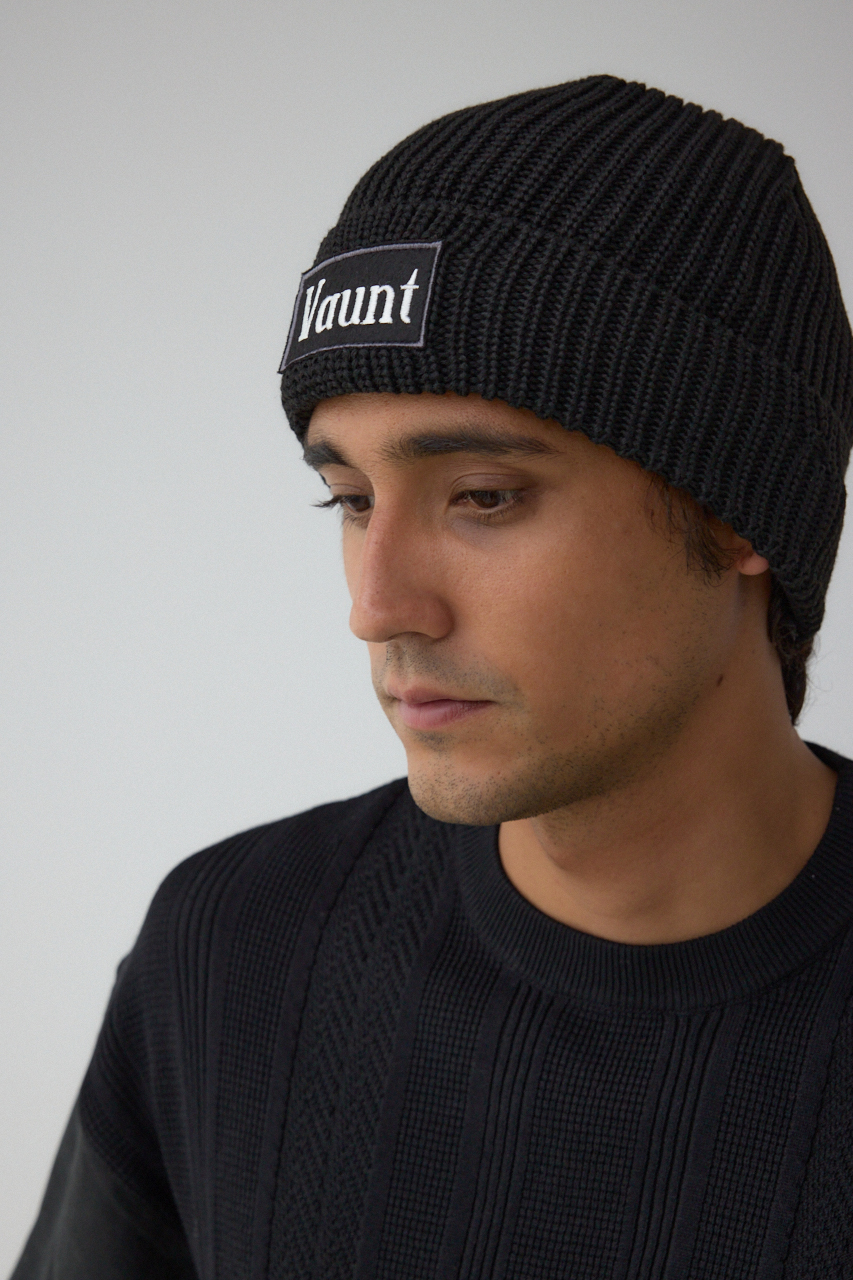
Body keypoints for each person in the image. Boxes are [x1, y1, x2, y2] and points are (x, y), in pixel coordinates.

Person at [11, 74, 853, 1280]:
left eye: (483, 496)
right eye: (350, 500)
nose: (376, 606)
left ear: (737, 508)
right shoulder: (231, 952)